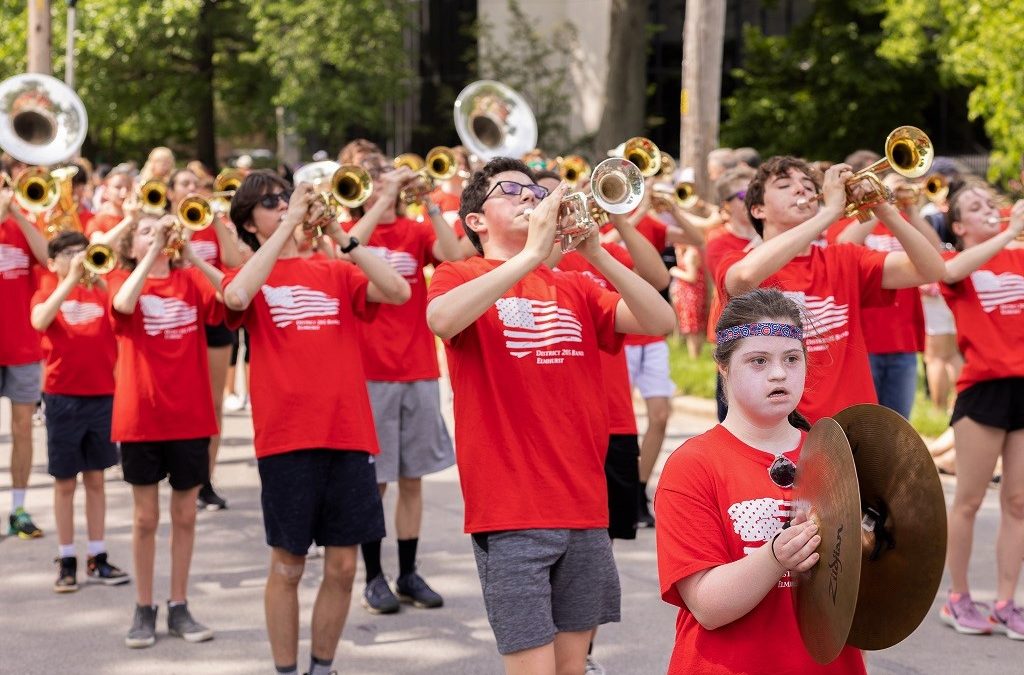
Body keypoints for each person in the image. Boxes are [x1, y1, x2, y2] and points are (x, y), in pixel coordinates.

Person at [426, 157, 675, 674]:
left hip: (583, 506)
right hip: (510, 510)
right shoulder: (459, 274)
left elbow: (661, 319)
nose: (527, 197)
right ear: (475, 220)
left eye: (533, 193)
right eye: (510, 190)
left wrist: (597, 254)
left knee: (572, 668)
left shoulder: (577, 287)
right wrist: (535, 255)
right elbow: (442, 319)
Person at [222, 172, 410, 675]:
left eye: (287, 197)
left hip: (348, 433)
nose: (284, 205)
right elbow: (237, 299)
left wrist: (344, 238)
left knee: (345, 566)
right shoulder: (250, 273)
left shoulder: (333, 268)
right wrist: (286, 231)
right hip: (287, 438)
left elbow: (397, 291)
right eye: (270, 203)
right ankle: (286, 670)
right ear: (248, 222)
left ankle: (321, 667)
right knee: (287, 566)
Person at [655, 287, 866, 674]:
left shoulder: (835, 457)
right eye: (758, 361)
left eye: (792, 358)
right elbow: (708, 606)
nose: (779, 373)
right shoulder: (693, 465)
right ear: (724, 367)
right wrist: (775, 557)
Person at [717, 156, 945, 423]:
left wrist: (883, 208)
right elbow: (744, 277)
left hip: (852, 427)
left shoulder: (844, 258)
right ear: (758, 210)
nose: (801, 189)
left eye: (807, 184)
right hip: (779, 427)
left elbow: (932, 270)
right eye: (784, 185)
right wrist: (829, 213)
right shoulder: (736, 260)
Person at [342, 151, 462, 615]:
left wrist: (429, 203)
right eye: (372, 181)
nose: (380, 186)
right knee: (376, 481)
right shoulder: (354, 230)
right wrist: (381, 200)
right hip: (369, 372)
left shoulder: (413, 231)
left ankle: (408, 572)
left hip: (417, 367)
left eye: (384, 179)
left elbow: (452, 256)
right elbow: (348, 246)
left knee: (412, 478)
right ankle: (372, 575)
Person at [109, 212, 224, 648]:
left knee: (186, 515)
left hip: (189, 417)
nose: (154, 234)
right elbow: (122, 305)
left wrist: (191, 252)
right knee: (145, 518)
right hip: (141, 418)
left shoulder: (190, 281)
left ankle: (178, 604)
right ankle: (143, 606)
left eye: (159, 229)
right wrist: (155, 249)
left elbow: (229, 296)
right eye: (144, 230)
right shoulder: (120, 277)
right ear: (131, 244)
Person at [937, 185, 1024, 638]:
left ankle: (1007, 602)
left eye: (991, 203)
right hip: (983, 390)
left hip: (1022, 387)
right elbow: (951, 271)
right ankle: (958, 596)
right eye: (975, 207)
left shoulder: (1019, 254)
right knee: (969, 501)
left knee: (1018, 502)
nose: (988, 210)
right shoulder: (957, 263)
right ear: (958, 226)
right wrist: (1007, 232)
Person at [29, 232, 129, 592]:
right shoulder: (46, 291)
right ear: (52, 262)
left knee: (97, 480)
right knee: (65, 482)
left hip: (102, 394)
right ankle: (67, 557)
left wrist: (94, 273)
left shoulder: (100, 288)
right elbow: (40, 321)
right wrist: (69, 280)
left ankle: (98, 556)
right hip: (62, 398)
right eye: (68, 253)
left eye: (81, 252)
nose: (77, 258)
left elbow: (123, 308)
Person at [827, 169, 939, 420]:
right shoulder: (850, 221)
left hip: (902, 339)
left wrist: (910, 212)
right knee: (862, 427)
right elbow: (842, 245)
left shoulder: (902, 224)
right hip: (863, 341)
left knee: (899, 428)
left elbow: (936, 254)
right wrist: (877, 205)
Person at [166, 167, 244, 511]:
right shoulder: (164, 226)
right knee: (177, 398)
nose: (192, 188)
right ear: (171, 192)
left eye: (196, 184)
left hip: (212, 317)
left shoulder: (216, 224)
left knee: (212, 404)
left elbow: (233, 260)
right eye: (184, 183)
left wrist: (214, 222)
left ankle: (205, 480)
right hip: (175, 319)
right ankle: (174, 471)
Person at [1, 181, 48, 539]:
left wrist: (16, 210)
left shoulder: (22, 222)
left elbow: (48, 257)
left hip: (22, 345)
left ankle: (18, 508)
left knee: (22, 429)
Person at [706, 166, 758, 421]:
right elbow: (738, 284)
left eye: (756, 191)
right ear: (725, 206)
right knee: (734, 417)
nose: (751, 198)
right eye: (742, 195)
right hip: (735, 336)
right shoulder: (718, 242)